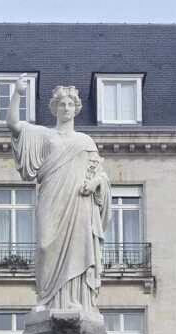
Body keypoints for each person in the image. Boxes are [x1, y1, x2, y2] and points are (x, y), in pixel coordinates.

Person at [6, 77, 111, 317]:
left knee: (77, 248)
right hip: (52, 198)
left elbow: (101, 175)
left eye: (70, 105)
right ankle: (47, 298)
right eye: (61, 104)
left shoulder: (86, 142)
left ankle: (75, 300)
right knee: (45, 245)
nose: (66, 108)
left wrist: (95, 183)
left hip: (78, 203)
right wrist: (18, 94)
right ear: (55, 108)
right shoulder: (44, 135)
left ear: (76, 109)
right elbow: (12, 124)